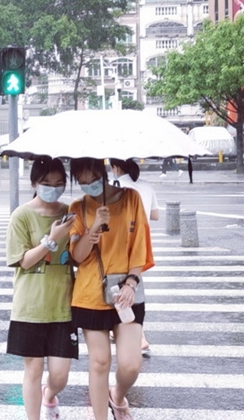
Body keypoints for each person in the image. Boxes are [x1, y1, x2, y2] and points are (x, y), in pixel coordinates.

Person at [68, 158, 154, 420]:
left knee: (130, 365)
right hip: (90, 294)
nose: (88, 185)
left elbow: (140, 245)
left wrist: (132, 282)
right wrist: (94, 226)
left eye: (93, 179)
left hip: (126, 293)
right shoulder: (78, 207)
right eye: (82, 182)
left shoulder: (131, 199)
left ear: (103, 173)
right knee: (100, 362)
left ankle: (117, 396)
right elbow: (77, 257)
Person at [5, 157, 77, 420]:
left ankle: (50, 394)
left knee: (60, 375)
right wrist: (51, 239)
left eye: (59, 183)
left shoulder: (70, 212)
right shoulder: (21, 215)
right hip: (30, 307)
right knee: (33, 370)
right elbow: (23, 261)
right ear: (35, 182)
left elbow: (78, 256)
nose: (53, 188)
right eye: (47, 182)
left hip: (63, 306)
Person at [109, 158, 159, 357]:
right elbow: (155, 215)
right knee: (132, 286)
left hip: (120, 243)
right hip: (141, 243)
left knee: (121, 289)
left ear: (116, 167)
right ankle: (131, 332)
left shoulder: (114, 186)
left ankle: (139, 337)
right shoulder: (146, 186)